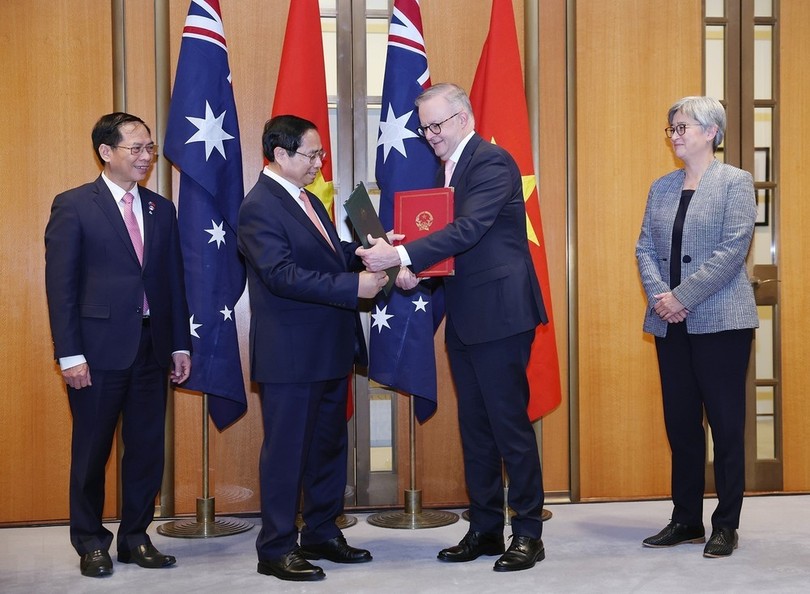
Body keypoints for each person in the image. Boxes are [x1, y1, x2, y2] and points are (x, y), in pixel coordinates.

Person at [356, 83, 548, 572]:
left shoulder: (490, 162)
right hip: (466, 315)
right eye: (424, 128)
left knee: (508, 426)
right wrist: (414, 269)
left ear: (463, 117)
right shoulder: (452, 167)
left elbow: (468, 229)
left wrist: (400, 256)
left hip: (501, 315)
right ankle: (484, 528)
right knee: (476, 428)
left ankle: (528, 532)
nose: (430, 135)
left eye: (436, 125)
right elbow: (452, 244)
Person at [237, 115, 387, 582]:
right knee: (287, 454)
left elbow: (327, 253)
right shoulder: (259, 206)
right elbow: (281, 275)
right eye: (312, 154)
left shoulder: (306, 199)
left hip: (328, 347)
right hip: (291, 354)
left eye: (320, 153)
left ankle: (321, 532)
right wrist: (354, 286)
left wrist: (365, 253)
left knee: (327, 448)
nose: (320, 162)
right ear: (280, 154)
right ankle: (275, 548)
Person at [44, 112, 192, 577]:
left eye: (150, 148)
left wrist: (180, 345)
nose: (146, 157)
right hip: (96, 352)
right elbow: (60, 288)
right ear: (106, 152)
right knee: (91, 451)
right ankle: (90, 541)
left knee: (147, 449)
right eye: (136, 148)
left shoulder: (161, 209)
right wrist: (70, 354)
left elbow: (173, 282)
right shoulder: (74, 205)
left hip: (152, 348)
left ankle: (134, 537)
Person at [636, 96, 758, 558]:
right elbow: (645, 248)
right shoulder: (662, 187)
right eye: (671, 128)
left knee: (726, 426)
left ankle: (725, 524)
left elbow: (732, 251)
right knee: (682, 425)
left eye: (683, 126)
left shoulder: (735, 182)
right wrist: (660, 297)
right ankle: (686, 519)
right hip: (670, 324)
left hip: (722, 322)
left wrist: (681, 297)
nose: (675, 134)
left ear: (711, 132)